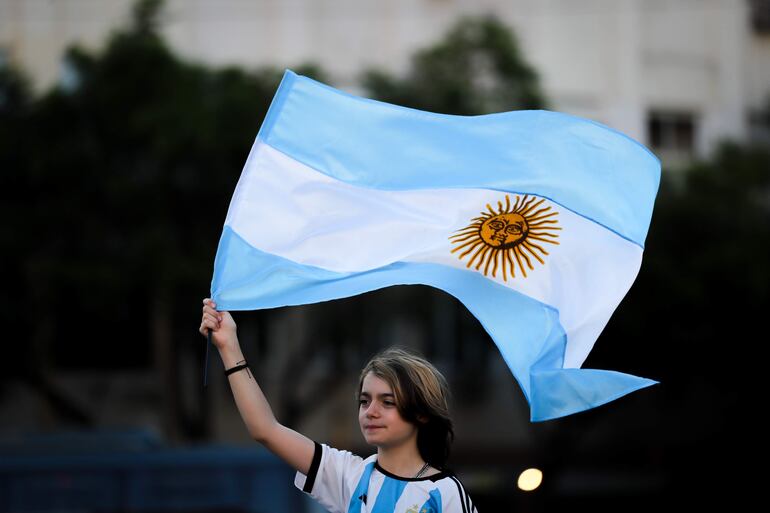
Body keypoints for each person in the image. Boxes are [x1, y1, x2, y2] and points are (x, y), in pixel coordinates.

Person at [200, 298, 478, 513]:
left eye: (388, 402)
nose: (371, 411)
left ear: (421, 413)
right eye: (364, 400)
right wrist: (228, 346)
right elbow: (265, 429)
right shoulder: (349, 474)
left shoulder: (446, 492)